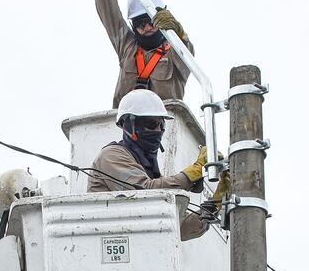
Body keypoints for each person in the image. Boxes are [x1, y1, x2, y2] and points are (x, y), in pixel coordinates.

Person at [86, 90, 228, 242]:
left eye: (161, 124)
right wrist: (196, 170)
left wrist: (218, 200)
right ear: (128, 125)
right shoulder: (111, 156)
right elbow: (146, 193)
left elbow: (179, 227)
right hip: (107, 249)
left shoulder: (146, 170)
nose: (158, 130)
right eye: (152, 124)